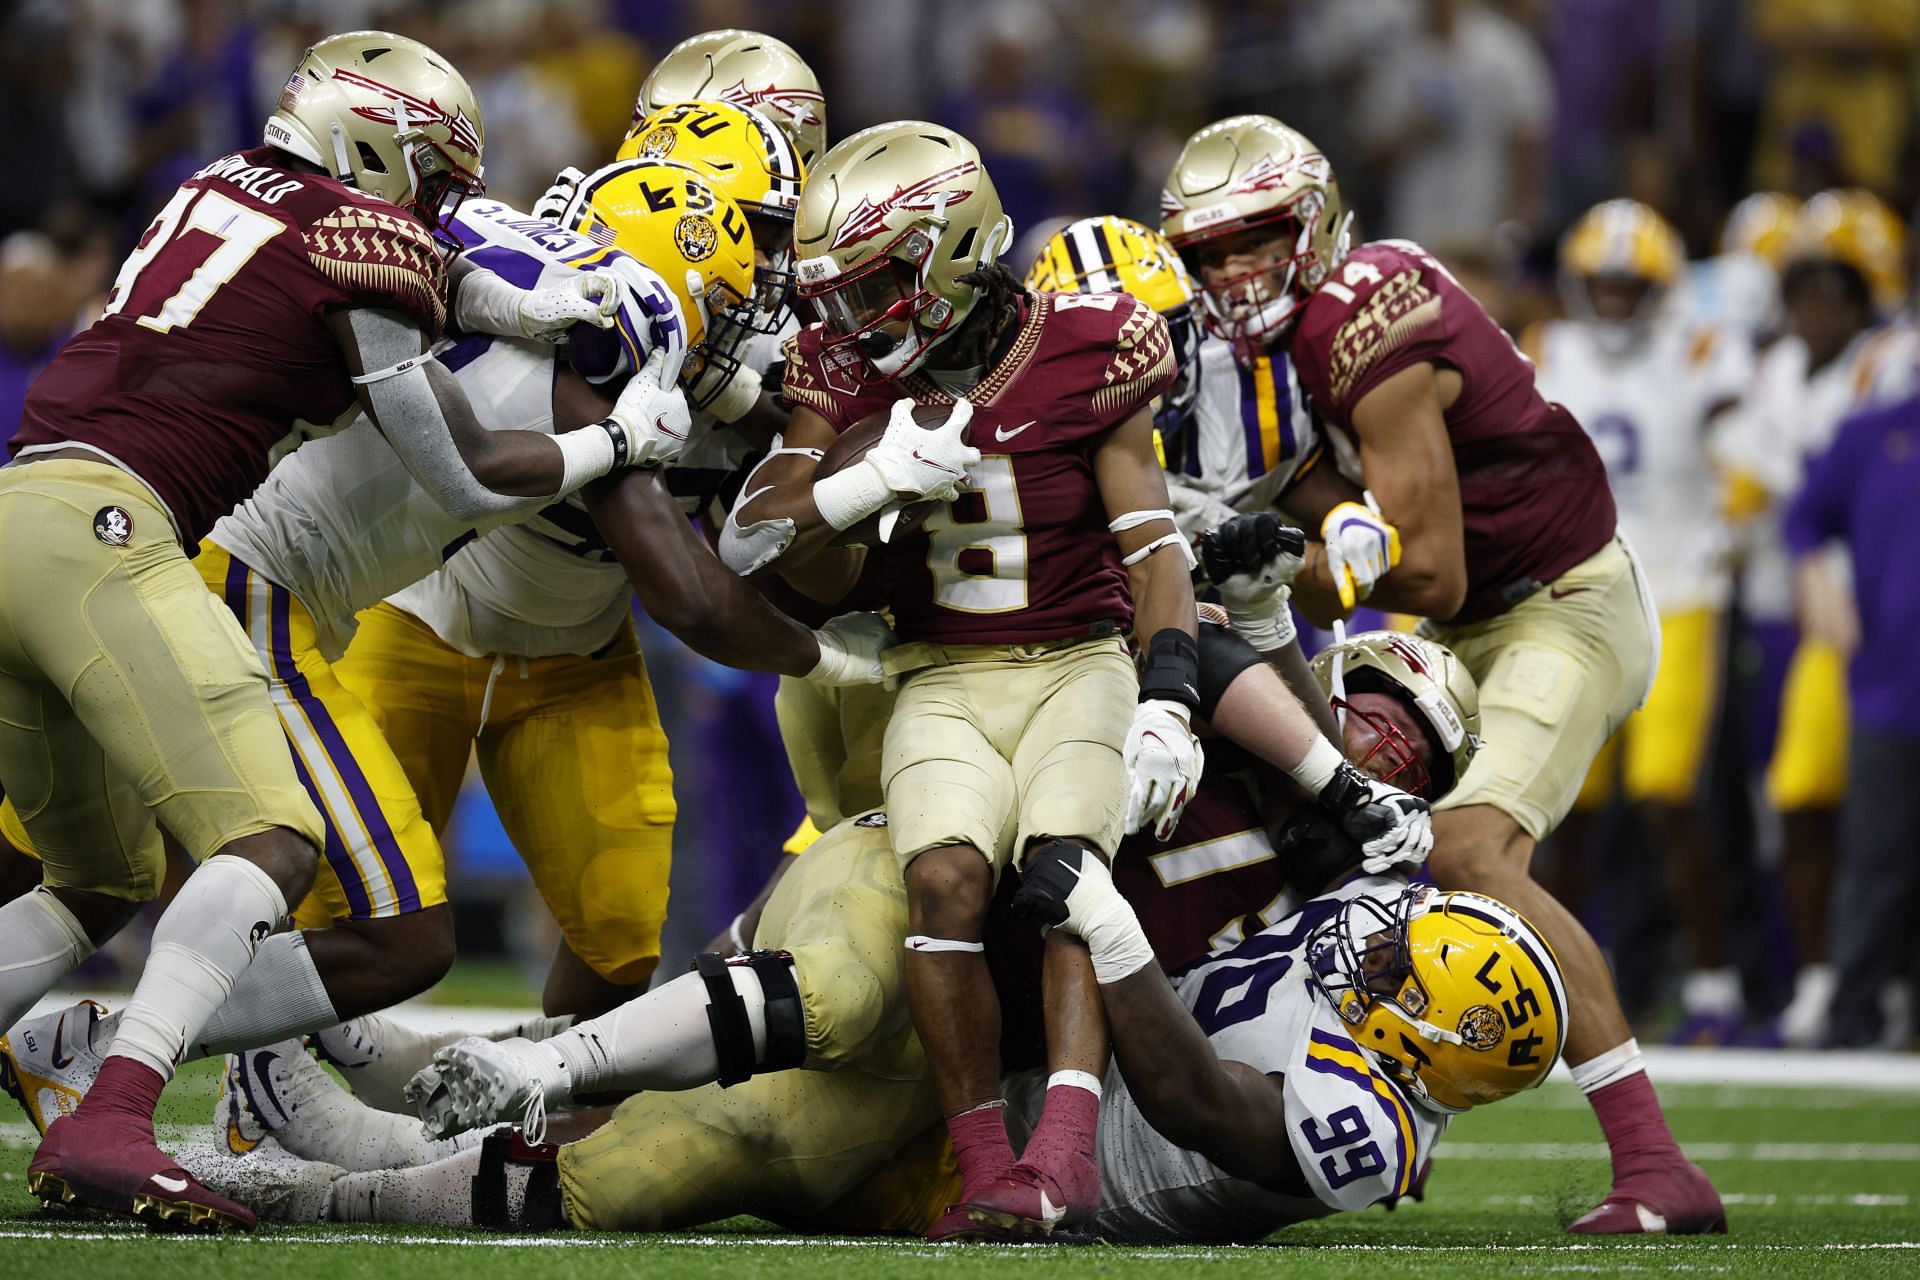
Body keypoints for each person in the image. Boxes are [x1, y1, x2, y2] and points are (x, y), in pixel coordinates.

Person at [0, 157, 895, 1135]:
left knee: (89, 871)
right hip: (259, 589)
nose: (734, 327)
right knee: (383, 925)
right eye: (723, 296)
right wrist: (832, 656)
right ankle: (111, 1063)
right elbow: (692, 598)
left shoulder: (493, 284)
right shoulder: (591, 373)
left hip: (215, 564)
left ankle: (109, 1054)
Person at [0, 30, 675, 1232]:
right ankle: (113, 1110)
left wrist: (529, 297)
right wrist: (621, 443)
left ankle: (83, 1064)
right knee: (270, 841)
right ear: (375, 147)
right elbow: (465, 475)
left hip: (22, 507)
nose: (439, 207)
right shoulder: (356, 240)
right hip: (112, 531)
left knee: (98, 876)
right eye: (433, 177)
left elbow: (399, 272)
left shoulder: (219, 183)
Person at [176, 629, 1488, 1246]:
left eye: (1411, 753)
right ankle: (465, 1072)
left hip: (979, 1049)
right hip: (923, 884)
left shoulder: (1353, 905)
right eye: (1374, 709)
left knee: (697, 1159)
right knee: (846, 993)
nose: (1385, 745)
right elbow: (1203, 646)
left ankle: (347, 1164)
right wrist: (1321, 765)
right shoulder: (1217, 717)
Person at [1160, 114, 1724, 1234]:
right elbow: (1325, 498)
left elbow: (1433, 570)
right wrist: (1256, 534)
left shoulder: (1363, 317)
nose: (1233, 272)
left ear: (1313, 224)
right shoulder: (1248, 357)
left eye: (1257, 239)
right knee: (1313, 804)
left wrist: (1281, 566)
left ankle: (1659, 1163)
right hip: (1458, 630)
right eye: (1209, 251)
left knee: (1467, 851)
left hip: (1554, 604)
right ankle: (1344, 1090)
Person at [327, 100, 812, 1020]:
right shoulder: (570, 318)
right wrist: (823, 655)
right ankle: (262, 1077)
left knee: (621, 933)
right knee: (356, 906)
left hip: (576, 652)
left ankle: (546, 1119)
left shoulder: (744, 346)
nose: (768, 275)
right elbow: (688, 595)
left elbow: (792, 439)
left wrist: (756, 405)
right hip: (419, 611)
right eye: (758, 236)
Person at [1528, 199, 1754, 1036]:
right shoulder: (1548, 350)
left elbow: (1747, 438)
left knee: (1666, 797)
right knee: (1567, 810)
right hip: (1577, 596)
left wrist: (1737, 509)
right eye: (1605, 286)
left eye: (1632, 287)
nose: (1617, 301)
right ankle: (1553, 987)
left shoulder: (1698, 348)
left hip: (1679, 589)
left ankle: (1714, 982)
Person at [1711, 189, 1910, 1044]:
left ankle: (1873, 980)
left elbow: (1815, 481)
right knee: (1789, 801)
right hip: (1787, 612)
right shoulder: (1778, 369)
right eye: (1802, 289)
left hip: (1871, 619)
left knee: (1853, 808)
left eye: (1834, 289)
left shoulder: (1893, 363)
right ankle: (1824, 976)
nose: (1812, 308)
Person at [1783, 389, 1920, 1046]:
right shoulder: (1875, 431)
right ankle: (1853, 1020)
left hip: (1889, 684)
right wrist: (1819, 578)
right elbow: (1804, 517)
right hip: (1891, 687)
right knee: (1875, 864)